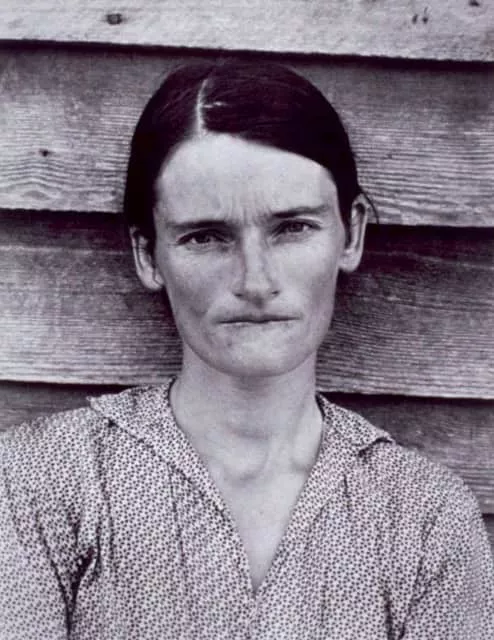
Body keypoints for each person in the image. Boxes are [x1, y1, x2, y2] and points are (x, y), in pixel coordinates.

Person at [1, 60, 493, 640]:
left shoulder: (425, 517)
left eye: (293, 228)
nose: (255, 281)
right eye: (205, 237)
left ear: (352, 232)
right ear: (148, 255)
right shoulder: (42, 481)